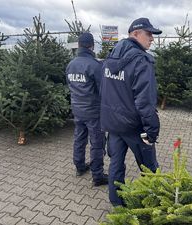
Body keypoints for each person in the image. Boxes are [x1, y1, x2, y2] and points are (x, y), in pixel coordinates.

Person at [100, 18, 162, 205]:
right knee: (150, 168)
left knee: (116, 165)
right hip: (135, 127)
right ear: (135, 34)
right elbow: (145, 102)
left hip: (114, 125)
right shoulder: (142, 61)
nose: (152, 38)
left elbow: (104, 92)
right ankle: (155, 206)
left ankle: (117, 204)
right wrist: (151, 131)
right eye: (148, 34)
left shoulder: (109, 59)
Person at [66, 32, 108, 186]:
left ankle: (79, 166)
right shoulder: (95, 65)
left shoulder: (71, 64)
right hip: (93, 112)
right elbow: (102, 90)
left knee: (79, 139)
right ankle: (97, 176)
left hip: (77, 109)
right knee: (97, 143)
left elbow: (70, 86)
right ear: (92, 45)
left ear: (78, 45)